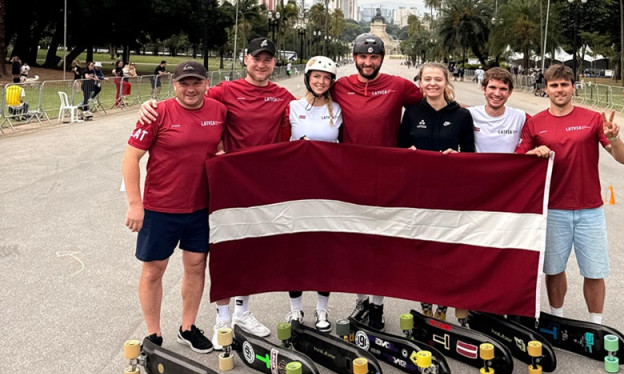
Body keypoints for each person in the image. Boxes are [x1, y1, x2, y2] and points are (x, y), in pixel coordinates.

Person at [139, 37, 294, 349]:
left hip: (260, 188)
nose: (261, 64)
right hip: (224, 189)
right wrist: (149, 105)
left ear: (274, 63)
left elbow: (312, 111)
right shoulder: (224, 92)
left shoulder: (282, 96)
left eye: (267, 59)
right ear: (246, 60)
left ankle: (242, 312)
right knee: (222, 254)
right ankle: (221, 320)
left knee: (247, 252)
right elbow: (188, 97)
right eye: (256, 58)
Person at [122, 60, 227, 352]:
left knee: (196, 266)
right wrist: (135, 204)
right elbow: (131, 158)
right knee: (154, 269)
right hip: (160, 207)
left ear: (207, 83)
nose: (190, 89)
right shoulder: (158, 113)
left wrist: (220, 153)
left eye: (196, 83)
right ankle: (153, 333)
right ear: (174, 85)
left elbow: (218, 146)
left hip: (200, 207)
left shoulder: (219, 111)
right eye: (184, 83)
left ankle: (188, 327)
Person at [515, 64, 624, 325]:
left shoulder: (592, 119)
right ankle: (557, 319)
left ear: (573, 88)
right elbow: (518, 161)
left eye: (564, 85)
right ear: (546, 89)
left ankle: (596, 324)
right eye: (554, 85)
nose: (559, 90)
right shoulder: (535, 124)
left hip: (590, 209)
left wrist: (615, 139)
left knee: (594, 271)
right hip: (554, 209)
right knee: (554, 270)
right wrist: (534, 153)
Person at [332, 33, 423, 330]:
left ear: (381, 58)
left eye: (373, 57)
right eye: (362, 56)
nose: (367, 62)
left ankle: (378, 307)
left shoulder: (398, 86)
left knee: (381, 244)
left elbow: (430, 104)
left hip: (387, 178)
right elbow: (312, 105)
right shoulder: (340, 86)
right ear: (354, 57)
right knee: (357, 243)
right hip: (350, 177)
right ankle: (361, 301)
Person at [398, 62, 474, 320]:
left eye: (437, 79)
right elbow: (399, 151)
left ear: (446, 82)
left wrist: (458, 157)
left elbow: (470, 154)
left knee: (446, 253)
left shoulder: (461, 115)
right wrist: (407, 155)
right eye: (426, 79)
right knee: (422, 252)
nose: (432, 83)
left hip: (449, 196)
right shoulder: (410, 113)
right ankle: (426, 306)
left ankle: (443, 307)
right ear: (420, 83)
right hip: (418, 195)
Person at [284, 56, 342, 332]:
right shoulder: (293, 107)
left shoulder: (338, 110)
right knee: (295, 250)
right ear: (308, 78)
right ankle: (295, 310)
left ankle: (322, 309)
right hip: (297, 188)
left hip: (327, 190)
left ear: (331, 82)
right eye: (316, 76)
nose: (321, 82)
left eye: (326, 77)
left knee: (324, 251)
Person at [468, 67, 529, 154]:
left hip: (509, 167)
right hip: (477, 167)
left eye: (503, 89)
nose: (497, 93)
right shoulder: (469, 114)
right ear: (483, 89)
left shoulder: (520, 117)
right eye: (492, 87)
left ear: (510, 92)